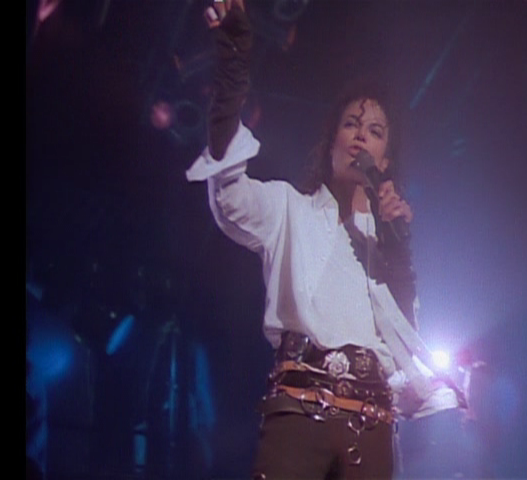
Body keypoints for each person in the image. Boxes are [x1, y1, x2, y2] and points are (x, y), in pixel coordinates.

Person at [186, 1, 467, 478]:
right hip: (299, 410)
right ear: (332, 141)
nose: (360, 137)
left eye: (375, 131)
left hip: (372, 423)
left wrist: (397, 246)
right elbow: (229, 194)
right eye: (351, 124)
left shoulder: (386, 240)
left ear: (385, 157)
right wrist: (233, 67)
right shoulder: (289, 208)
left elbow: (405, 335)